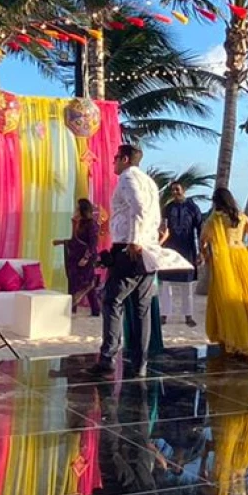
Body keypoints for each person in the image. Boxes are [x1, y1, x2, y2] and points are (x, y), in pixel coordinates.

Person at [98, 141, 161, 376]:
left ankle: (108, 357)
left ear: (124, 159)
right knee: (141, 308)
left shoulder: (128, 178)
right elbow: (153, 213)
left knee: (112, 300)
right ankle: (140, 362)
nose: (113, 162)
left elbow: (140, 208)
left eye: (116, 158)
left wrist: (135, 240)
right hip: (148, 248)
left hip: (130, 248)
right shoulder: (150, 182)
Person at [201, 187, 248, 362]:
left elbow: (203, 241)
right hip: (241, 256)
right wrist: (245, 253)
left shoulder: (215, 219)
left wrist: (207, 257)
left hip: (224, 261)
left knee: (227, 299)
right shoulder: (242, 216)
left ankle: (232, 338)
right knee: (246, 297)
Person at [158, 182, 204, 326]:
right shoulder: (168, 208)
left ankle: (188, 316)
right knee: (166, 284)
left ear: (184, 190)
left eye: (177, 189)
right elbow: (163, 228)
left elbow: (200, 229)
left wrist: (201, 251)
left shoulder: (192, 208)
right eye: (172, 190)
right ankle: (164, 315)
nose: (175, 192)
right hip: (170, 251)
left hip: (188, 250)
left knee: (187, 285)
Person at [58, 197, 102, 314]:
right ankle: (73, 310)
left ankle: (94, 309)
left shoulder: (91, 224)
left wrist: (86, 258)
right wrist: (62, 241)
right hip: (75, 257)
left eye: (77, 207)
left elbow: (93, 244)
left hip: (85, 258)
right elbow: (75, 240)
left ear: (82, 209)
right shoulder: (79, 223)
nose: (75, 209)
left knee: (87, 283)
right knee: (73, 282)